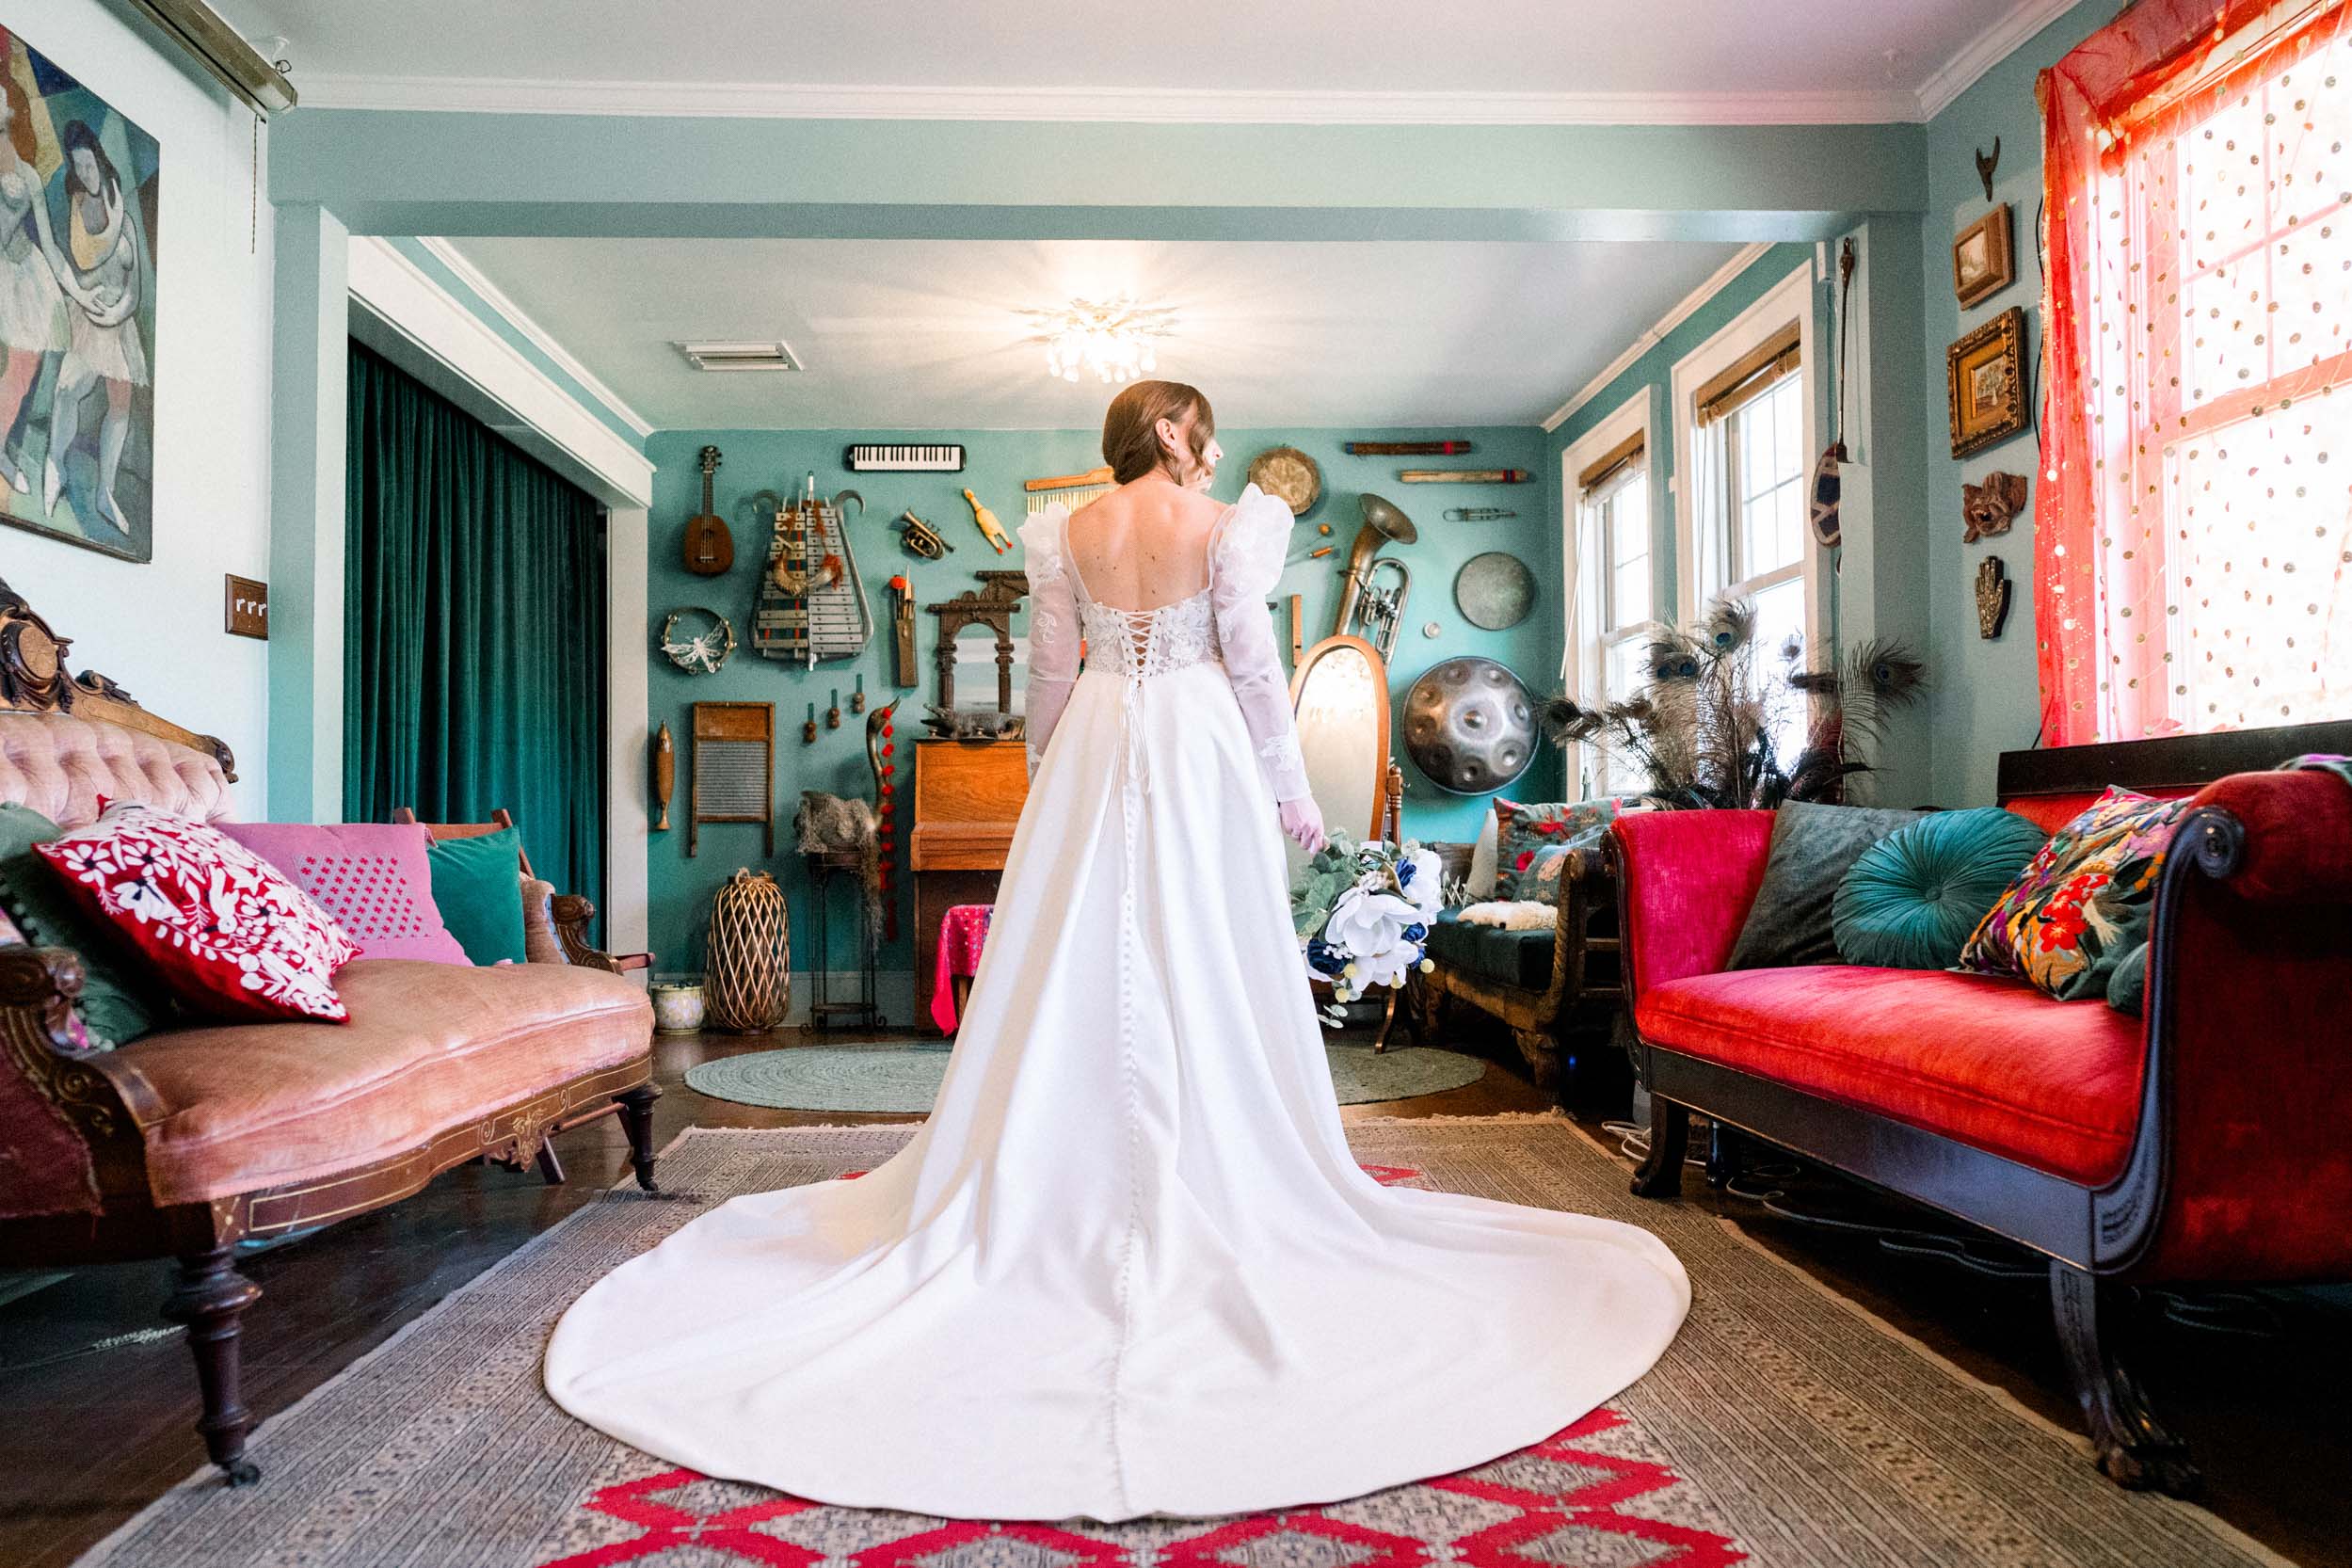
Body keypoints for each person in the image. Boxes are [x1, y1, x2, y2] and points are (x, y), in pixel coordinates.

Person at [543, 380, 1689, 1522]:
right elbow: (1246, 665)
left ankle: (1061, 1157)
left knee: (1079, 958)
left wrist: (1049, 776)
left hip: (1098, 736)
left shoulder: (1067, 529)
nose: (1218, 441)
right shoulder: (1231, 522)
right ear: (1177, 431)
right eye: (1208, 424)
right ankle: (1198, 1152)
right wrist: (1290, 788)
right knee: (1203, 951)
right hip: (1193, 741)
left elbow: (1049, 674)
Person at [46, 120, 147, 534]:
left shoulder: (124, 216)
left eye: (89, 165)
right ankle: (55, 465)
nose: (85, 173)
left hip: (118, 322)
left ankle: (106, 491)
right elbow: (76, 265)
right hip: (88, 313)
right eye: (78, 166)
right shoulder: (75, 203)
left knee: (119, 406)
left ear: (101, 163)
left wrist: (118, 312)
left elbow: (135, 290)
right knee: (68, 389)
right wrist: (91, 303)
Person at [0, 71, 68, 499]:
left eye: (5, 125)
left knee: (24, 368)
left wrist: (79, 292)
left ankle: (4, 446)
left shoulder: (26, 173)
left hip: (23, 272)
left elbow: (50, 243)